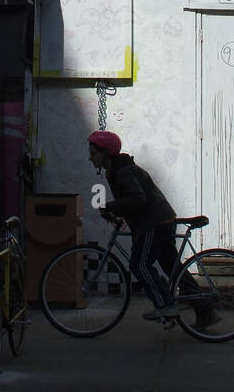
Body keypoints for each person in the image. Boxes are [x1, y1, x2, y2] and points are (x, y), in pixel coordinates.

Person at [88, 130, 212, 325]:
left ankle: (165, 305)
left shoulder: (123, 171)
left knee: (139, 265)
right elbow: (132, 200)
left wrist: (111, 206)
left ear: (106, 153)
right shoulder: (119, 169)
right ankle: (205, 311)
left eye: (94, 153)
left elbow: (137, 198)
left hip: (153, 224)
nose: (90, 158)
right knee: (173, 269)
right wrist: (119, 213)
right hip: (161, 220)